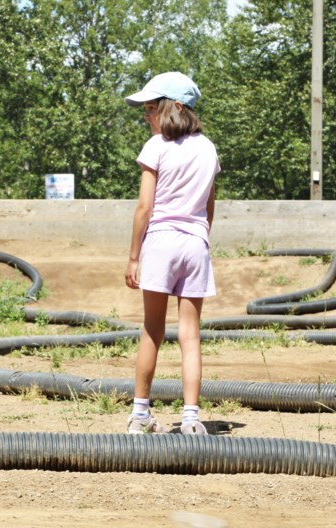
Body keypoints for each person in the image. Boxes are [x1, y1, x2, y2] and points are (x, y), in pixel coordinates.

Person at [122, 71, 221, 436]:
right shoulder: (208, 149)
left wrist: (134, 258)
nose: (146, 116)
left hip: (161, 240)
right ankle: (192, 419)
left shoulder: (156, 147)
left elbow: (144, 208)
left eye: (151, 108)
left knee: (152, 329)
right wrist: (198, 236)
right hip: (196, 243)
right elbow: (209, 207)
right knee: (190, 335)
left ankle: (140, 415)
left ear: (176, 107)